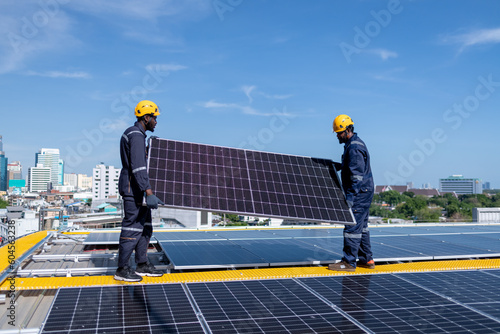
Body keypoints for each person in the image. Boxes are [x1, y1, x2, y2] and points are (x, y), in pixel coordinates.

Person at [114, 100, 165, 282]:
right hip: (133, 190)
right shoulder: (135, 135)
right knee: (132, 227)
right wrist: (148, 192)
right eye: (155, 118)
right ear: (146, 117)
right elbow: (138, 167)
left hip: (139, 190)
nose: (156, 122)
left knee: (145, 228)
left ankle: (142, 264)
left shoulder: (138, 135)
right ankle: (122, 269)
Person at [329, 114, 375, 272]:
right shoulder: (353, 144)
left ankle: (349, 262)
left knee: (352, 227)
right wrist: (337, 166)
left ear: (347, 130)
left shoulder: (354, 147)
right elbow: (351, 167)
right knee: (362, 227)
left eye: (339, 132)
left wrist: (350, 198)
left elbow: (356, 176)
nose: (337, 136)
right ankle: (367, 259)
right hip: (365, 191)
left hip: (359, 193)